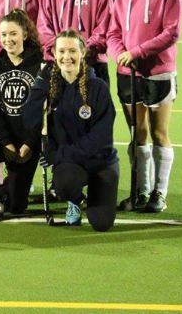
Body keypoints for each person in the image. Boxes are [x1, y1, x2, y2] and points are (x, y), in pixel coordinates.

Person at [107, 0, 182, 213]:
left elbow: (171, 32)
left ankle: (159, 194)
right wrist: (119, 56)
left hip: (158, 72)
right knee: (137, 133)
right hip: (127, 73)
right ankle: (141, 191)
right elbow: (113, 32)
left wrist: (136, 53)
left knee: (159, 132)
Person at [25, 30, 118, 232]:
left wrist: (59, 155)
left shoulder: (98, 87)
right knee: (64, 184)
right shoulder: (50, 86)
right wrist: (39, 87)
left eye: (72, 51)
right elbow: (30, 121)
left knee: (101, 224)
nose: (67, 57)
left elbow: (100, 138)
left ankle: (97, 192)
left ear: (82, 52)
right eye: (62, 51)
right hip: (72, 165)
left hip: (101, 162)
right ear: (54, 54)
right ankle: (76, 200)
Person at [0, 9, 44, 221]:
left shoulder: (40, 66)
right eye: (3, 34)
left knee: (17, 207)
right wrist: (5, 141)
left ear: (25, 34)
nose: (8, 39)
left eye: (13, 34)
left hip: (27, 145)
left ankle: (7, 191)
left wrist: (30, 143)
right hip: (2, 141)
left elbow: (43, 109)